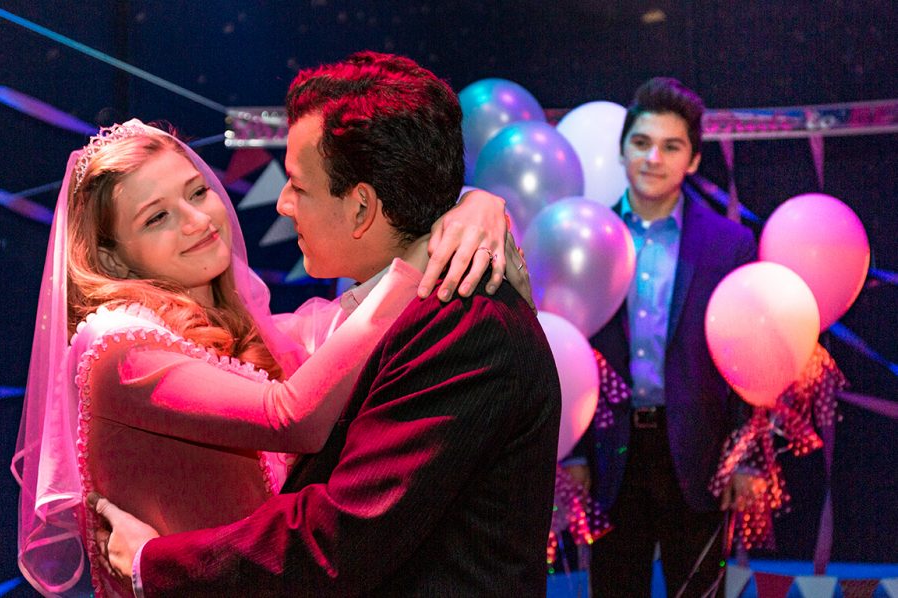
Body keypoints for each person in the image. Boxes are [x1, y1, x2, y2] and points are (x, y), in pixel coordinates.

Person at [90, 51, 562, 597]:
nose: (283, 204)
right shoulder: (400, 308)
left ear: (362, 208)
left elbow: (340, 538)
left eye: (298, 186)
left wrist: (154, 564)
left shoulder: (460, 325)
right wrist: (477, 201)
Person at [563, 77, 759, 597]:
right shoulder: (584, 236)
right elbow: (567, 346)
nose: (654, 158)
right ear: (624, 150)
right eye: (642, 143)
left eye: (672, 147)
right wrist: (574, 454)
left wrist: (746, 457)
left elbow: (750, 355)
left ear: (692, 161)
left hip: (698, 452)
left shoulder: (730, 245)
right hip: (610, 455)